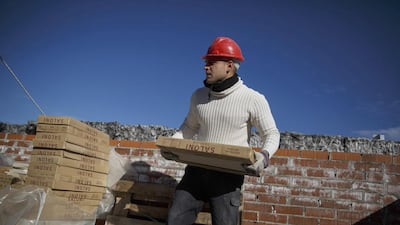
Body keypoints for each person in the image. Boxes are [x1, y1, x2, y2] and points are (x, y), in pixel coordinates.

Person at [166, 36, 280, 225]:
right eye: (205, 62)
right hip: (196, 171)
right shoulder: (199, 96)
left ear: (229, 66)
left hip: (228, 176)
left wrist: (264, 156)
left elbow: (271, 134)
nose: (205, 67)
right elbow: (189, 127)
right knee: (175, 220)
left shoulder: (253, 98)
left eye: (211, 62)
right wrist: (172, 144)